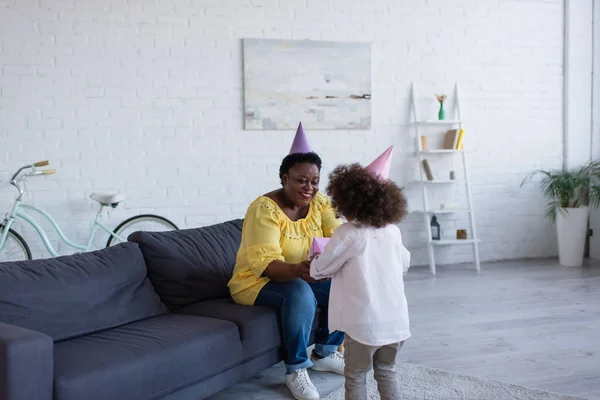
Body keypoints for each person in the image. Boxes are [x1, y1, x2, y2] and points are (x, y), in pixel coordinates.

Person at [228, 123, 345, 400]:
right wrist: (301, 272)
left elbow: (340, 236)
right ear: (285, 178)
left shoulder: (320, 204)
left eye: (315, 181)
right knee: (299, 292)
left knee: (348, 285)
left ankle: (326, 352)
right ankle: (295, 369)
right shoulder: (264, 209)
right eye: (301, 180)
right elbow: (264, 264)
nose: (309, 187)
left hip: (303, 273)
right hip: (255, 281)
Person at [309, 146, 411, 400]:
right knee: (387, 372)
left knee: (355, 376)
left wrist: (315, 261)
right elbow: (404, 264)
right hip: (396, 323)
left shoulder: (348, 233)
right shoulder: (392, 231)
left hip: (364, 325)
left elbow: (322, 268)